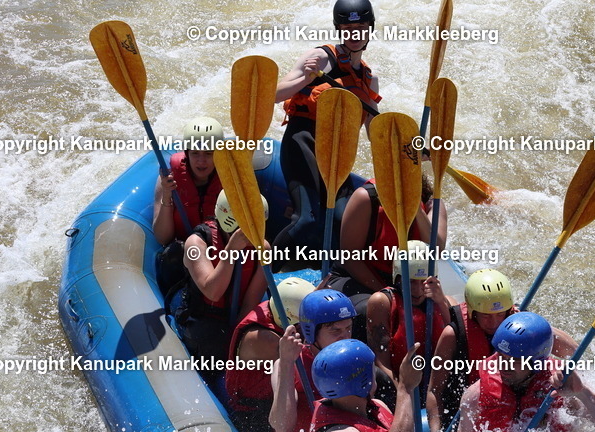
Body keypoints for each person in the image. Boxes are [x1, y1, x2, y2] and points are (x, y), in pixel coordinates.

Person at [271, 0, 380, 266]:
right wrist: (305, 79)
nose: (354, 34)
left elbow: (375, 130)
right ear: (339, 29)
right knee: (306, 219)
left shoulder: (369, 78)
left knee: (344, 219)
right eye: (348, 27)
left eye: (361, 27)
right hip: (304, 143)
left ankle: (334, 278)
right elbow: (273, 95)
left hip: (337, 157)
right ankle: (262, 276)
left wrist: (410, 149)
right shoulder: (321, 57)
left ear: (370, 29)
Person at [426, 269, 577, 432]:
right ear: (472, 311)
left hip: (511, 403)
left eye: (499, 314)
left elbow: (573, 351)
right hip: (468, 410)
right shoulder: (453, 334)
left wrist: (537, 327)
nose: (494, 322)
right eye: (486, 316)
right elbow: (434, 390)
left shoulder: (520, 324)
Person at [457, 311, 595, 432]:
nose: (504, 365)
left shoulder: (562, 386)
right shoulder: (475, 395)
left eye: (515, 360)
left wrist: (582, 392)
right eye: (501, 356)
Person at [326, 172, 447, 331]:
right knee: (372, 310)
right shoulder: (367, 198)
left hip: (408, 282)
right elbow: (350, 258)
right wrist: (387, 296)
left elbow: (436, 249)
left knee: (441, 311)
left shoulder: (432, 205)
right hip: (359, 278)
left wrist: (415, 208)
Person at [226, 277, 315, 432]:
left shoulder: (277, 308)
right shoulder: (264, 339)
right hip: (253, 410)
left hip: (273, 394)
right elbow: (305, 354)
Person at [175, 190, 270, 367]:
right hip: (201, 317)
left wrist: (239, 337)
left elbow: (250, 303)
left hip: (234, 317)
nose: (251, 231)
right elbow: (213, 292)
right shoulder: (196, 243)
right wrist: (232, 250)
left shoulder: (263, 249)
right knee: (214, 344)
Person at [366, 240, 454, 409]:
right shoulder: (382, 302)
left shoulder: (446, 302)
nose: (417, 289)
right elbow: (381, 362)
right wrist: (404, 394)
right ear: (398, 278)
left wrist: (442, 303)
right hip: (398, 383)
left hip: (436, 385)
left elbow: (462, 344)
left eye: (423, 282)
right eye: (411, 281)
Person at [269, 289, 357, 432]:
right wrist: (287, 363)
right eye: (336, 331)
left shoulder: (355, 358)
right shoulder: (287, 364)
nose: (346, 338)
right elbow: (282, 428)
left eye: (348, 329)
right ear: (311, 333)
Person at [154, 118, 224, 297]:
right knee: (172, 255)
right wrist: (168, 196)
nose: (202, 161)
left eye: (208, 153)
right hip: (182, 254)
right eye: (195, 153)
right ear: (186, 153)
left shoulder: (229, 179)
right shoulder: (169, 178)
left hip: (217, 253)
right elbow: (163, 237)